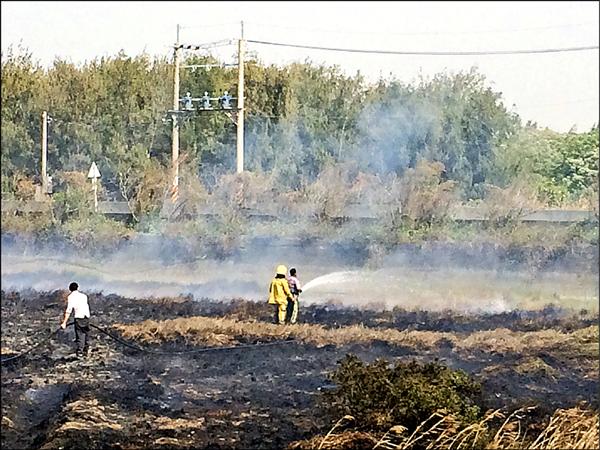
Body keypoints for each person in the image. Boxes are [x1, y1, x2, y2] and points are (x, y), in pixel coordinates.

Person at [61, 282, 91, 357]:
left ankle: (80, 352)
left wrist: (64, 322)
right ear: (77, 288)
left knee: (80, 335)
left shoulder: (71, 297)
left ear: (70, 289)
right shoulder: (84, 296)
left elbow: (69, 310)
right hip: (86, 316)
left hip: (79, 317)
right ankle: (86, 350)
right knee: (86, 333)